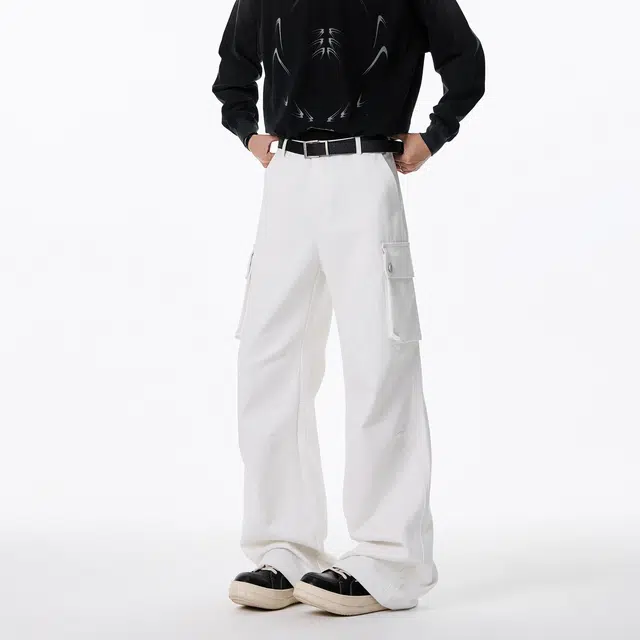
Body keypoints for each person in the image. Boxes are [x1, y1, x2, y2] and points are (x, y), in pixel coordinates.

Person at [212, 0, 485, 617]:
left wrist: (435, 134)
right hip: (287, 176)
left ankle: (391, 558)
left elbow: (465, 59)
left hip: (365, 169)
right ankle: (284, 545)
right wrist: (247, 129)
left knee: (378, 358)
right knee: (268, 360)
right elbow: (234, 66)